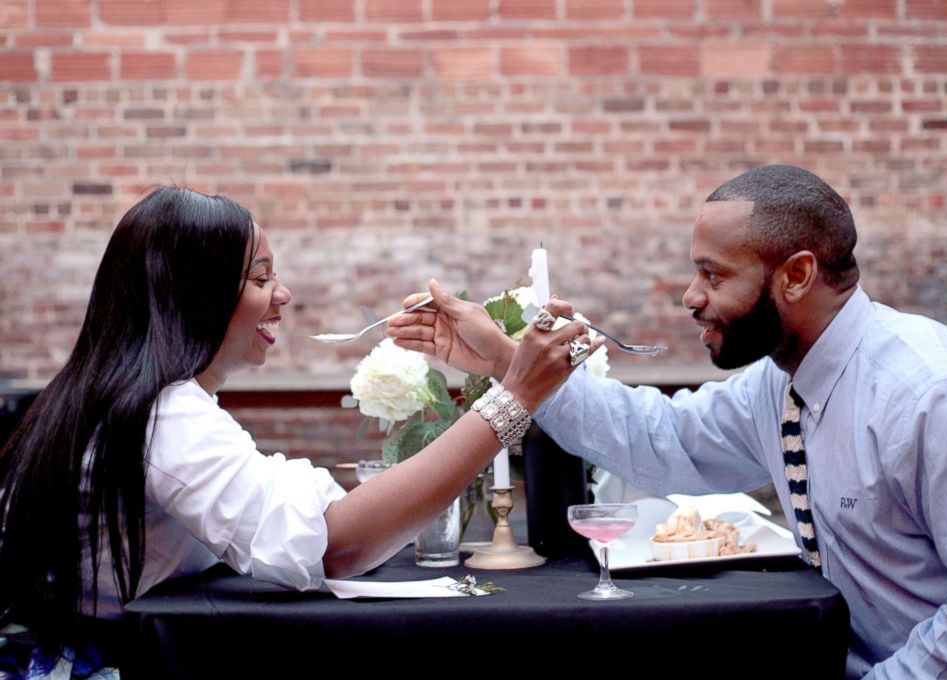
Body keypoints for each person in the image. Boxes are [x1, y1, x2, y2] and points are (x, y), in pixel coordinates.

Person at [388, 165, 947, 679]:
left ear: (798, 275)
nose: (690, 296)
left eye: (715, 274)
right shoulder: (779, 379)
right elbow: (665, 440)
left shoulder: (938, 396)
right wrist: (504, 358)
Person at [0, 187, 596, 676]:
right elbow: (333, 545)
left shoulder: (120, 397)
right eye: (260, 279)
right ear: (195, 296)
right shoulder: (163, 414)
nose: (282, 295)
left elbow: (313, 525)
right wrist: (514, 396)